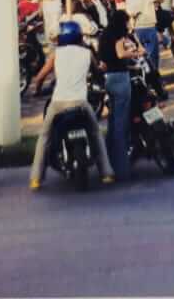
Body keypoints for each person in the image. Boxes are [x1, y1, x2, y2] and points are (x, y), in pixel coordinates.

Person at [29, 22, 114, 190]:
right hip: (81, 103)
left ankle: (36, 178)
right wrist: (101, 71)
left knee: (44, 137)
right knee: (96, 133)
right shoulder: (87, 53)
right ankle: (106, 172)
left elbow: (40, 77)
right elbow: (98, 72)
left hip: (58, 103)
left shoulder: (56, 54)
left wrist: (37, 90)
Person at [98, 10, 138, 181]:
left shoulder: (104, 35)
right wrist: (134, 54)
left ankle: (107, 163)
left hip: (109, 79)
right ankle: (122, 169)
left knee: (113, 123)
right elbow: (120, 54)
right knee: (121, 125)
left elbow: (104, 60)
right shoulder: (119, 35)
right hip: (121, 79)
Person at [125, 0, 166, 98]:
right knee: (152, 58)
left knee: (139, 58)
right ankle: (154, 84)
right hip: (148, 26)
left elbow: (130, 10)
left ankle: (145, 83)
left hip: (136, 27)